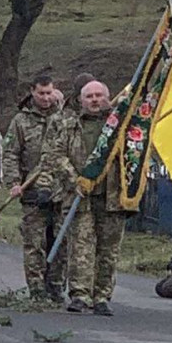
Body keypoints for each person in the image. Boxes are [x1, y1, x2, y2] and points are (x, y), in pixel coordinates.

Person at [45, 80, 126, 315]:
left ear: (107, 97)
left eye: (99, 95)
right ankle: (80, 294)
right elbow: (55, 154)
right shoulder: (70, 125)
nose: (94, 100)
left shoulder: (120, 125)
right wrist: (74, 179)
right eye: (89, 96)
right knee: (81, 247)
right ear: (81, 100)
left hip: (112, 197)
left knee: (108, 250)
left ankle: (101, 296)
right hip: (80, 196)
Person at [3, 74, 61, 300]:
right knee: (35, 241)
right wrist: (14, 182)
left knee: (60, 240)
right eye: (41, 93)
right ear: (32, 92)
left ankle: (55, 284)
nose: (46, 98)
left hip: (59, 190)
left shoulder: (63, 117)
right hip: (32, 190)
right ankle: (36, 287)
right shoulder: (21, 121)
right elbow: (11, 153)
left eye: (49, 93)